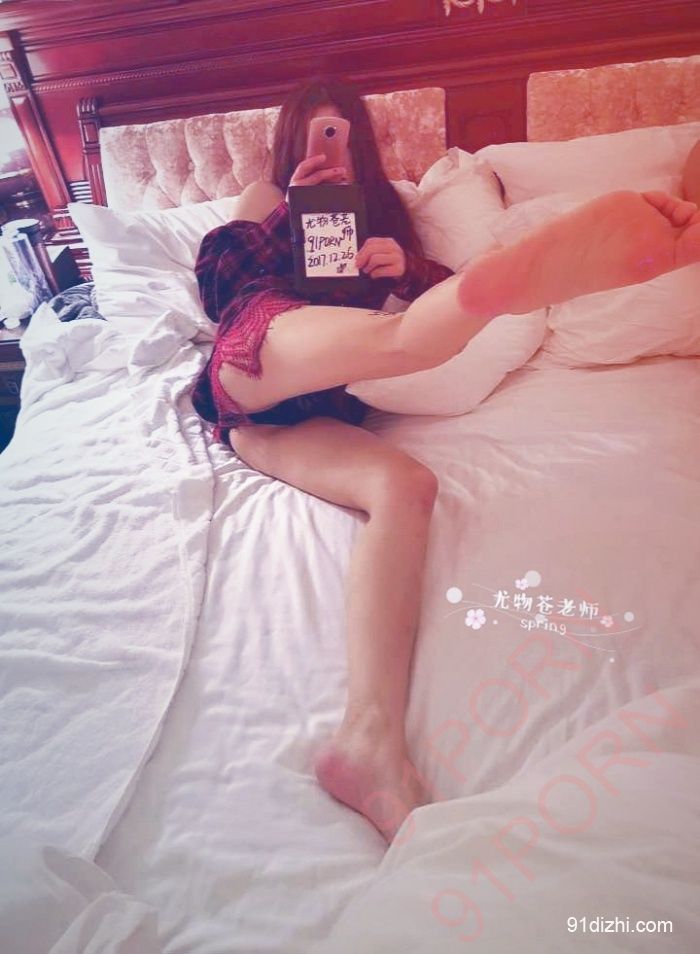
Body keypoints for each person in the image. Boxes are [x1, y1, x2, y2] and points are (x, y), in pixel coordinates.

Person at [191, 74, 700, 844]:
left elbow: (418, 291)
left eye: (341, 133)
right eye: (316, 133)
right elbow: (221, 285)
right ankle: (497, 289)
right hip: (256, 353)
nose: (330, 149)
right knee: (395, 338)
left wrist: (401, 269)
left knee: (405, 486)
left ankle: (367, 744)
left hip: (301, 416)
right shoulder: (263, 198)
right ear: (293, 140)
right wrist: (293, 216)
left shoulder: (383, 214)